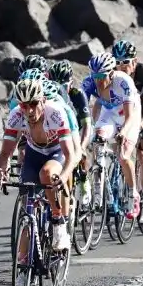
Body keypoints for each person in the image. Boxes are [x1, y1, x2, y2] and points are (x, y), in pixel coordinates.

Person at [0, 79, 76, 260]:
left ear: (43, 100)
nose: (29, 111)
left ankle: (58, 221)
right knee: (27, 209)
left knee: (46, 174)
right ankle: (23, 266)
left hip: (56, 152)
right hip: (34, 153)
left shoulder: (55, 113)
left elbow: (71, 156)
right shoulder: (16, 115)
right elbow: (5, 154)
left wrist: (63, 176)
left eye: (34, 104)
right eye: (24, 105)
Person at [82, 52, 142, 219]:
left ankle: (133, 195)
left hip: (129, 114)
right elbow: (81, 111)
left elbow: (130, 117)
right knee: (98, 139)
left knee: (123, 156)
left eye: (101, 76)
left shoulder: (123, 81)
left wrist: (122, 132)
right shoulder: (89, 83)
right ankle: (98, 189)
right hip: (109, 114)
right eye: (94, 76)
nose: (98, 80)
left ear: (111, 73)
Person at [111, 40, 143, 225]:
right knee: (119, 151)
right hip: (125, 113)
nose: (121, 67)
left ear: (135, 61)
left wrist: (138, 127)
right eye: (117, 62)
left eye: (126, 62)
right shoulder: (113, 75)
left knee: (142, 153)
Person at [49, 60, 93, 205]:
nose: (59, 88)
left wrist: (82, 146)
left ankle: (84, 180)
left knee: (81, 154)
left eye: (63, 85)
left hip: (79, 129)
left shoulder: (77, 94)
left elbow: (86, 125)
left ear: (71, 83)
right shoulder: (50, 93)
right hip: (62, 132)